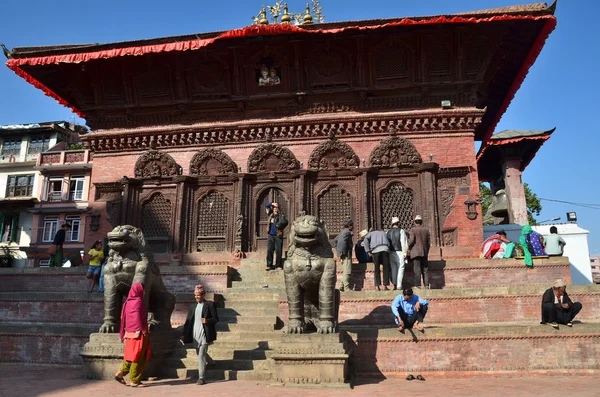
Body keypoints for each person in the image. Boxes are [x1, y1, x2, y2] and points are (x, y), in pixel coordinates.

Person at [115, 283, 150, 387]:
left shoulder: (127, 302)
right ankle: (134, 380)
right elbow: (138, 317)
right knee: (138, 356)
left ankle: (120, 373)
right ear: (139, 290)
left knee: (131, 356)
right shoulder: (138, 302)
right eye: (143, 290)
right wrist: (143, 329)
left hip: (129, 333)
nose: (144, 292)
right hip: (139, 334)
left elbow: (125, 318)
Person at [182, 285, 219, 385]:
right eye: (195, 295)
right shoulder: (193, 306)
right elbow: (188, 321)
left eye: (198, 295)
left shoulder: (210, 305)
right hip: (195, 333)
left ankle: (201, 377)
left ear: (203, 295)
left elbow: (216, 319)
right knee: (200, 353)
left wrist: (207, 320)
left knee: (201, 354)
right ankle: (211, 362)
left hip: (205, 333)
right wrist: (184, 334)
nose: (196, 297)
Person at [408, 215, 431, 289]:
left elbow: (411, 241)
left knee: (417, 269)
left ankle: (418, 285)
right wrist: (426, 251)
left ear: (415, 222)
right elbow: (428, 243)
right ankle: (426, 285)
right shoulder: (426, 230)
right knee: (425, 270)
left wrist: (408, 246)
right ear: (421, 222)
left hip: (416, 252)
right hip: (424, 252)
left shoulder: (413, 230)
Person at [387, 217, 408, 290]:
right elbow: (403, 242)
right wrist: (405, 252)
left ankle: (395, 284)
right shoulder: (401, 231)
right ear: (398, 223)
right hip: (399, 251)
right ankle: (399, 285)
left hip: (391, 252)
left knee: (394, 268)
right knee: (401, 268)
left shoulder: (388, 232)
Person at [265, 202, 288, 271]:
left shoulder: (281, 216)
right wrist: (272, 204)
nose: (275, 210)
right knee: (270, 250)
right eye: (274, 209)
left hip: (278, 236)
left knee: (278, 251)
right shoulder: (270, 215)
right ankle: (269, 265)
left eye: (276, 209)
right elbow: (266, 206)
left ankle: (278, 265)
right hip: (270, 235)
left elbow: (285, 221)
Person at [333, 220, 354, 292]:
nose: (353, 227)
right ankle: (346, 287)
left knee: (345, 270)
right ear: (349, 226)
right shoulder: (347, 232)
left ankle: (342, 286)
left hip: (343, 254)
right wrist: (343, 252)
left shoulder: (342, 232)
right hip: (346, 254)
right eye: (352, 225)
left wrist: (338, 250)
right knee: (347, 271)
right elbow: (343, 242)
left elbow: (335, 240)